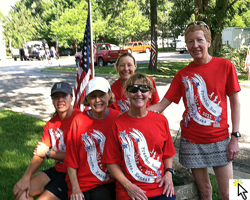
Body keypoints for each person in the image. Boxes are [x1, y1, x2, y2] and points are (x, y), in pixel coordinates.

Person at [148, 21, 241, 200]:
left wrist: (235, 137)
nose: (195, 45)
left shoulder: (225, 65)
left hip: (220, 139)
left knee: (232, 193)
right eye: (190, 42)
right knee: (205, 191)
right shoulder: (182, 74)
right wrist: (129, 118)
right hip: (192, 141)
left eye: (199, 40)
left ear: (208, 41)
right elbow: (161, 106)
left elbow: (236, 102)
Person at [103, 73, 176, 200]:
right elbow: (111, 162)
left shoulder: (161, 120)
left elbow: (167, 153)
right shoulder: (117, 124)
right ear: (126, 94)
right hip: (129, 190)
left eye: (143, 89)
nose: (138, 93)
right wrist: (129, 187)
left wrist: (169, 174)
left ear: (150, 93)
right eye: (133, 89)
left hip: (160, 187)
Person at [13, 82, 82, 200]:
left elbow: (77, 157)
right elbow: (39, 154)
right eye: (56, 97)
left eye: (64, 96)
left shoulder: (80, 119)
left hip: (73, 175)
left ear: (71, 98)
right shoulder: (51, 124)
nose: (60, 100)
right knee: (21, 193)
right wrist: (26, 176)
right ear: (52, 100)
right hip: (57, 170)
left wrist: (49, 153)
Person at [64, 77, 120, 200]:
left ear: (110, 94)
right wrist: (75, 188)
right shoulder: (78, 121)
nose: (97, 100)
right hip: (82, 184)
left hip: (109, 182)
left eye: (102, 95)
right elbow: (70, 159)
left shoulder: (118, 119)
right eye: (93, 96)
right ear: (87, 99)